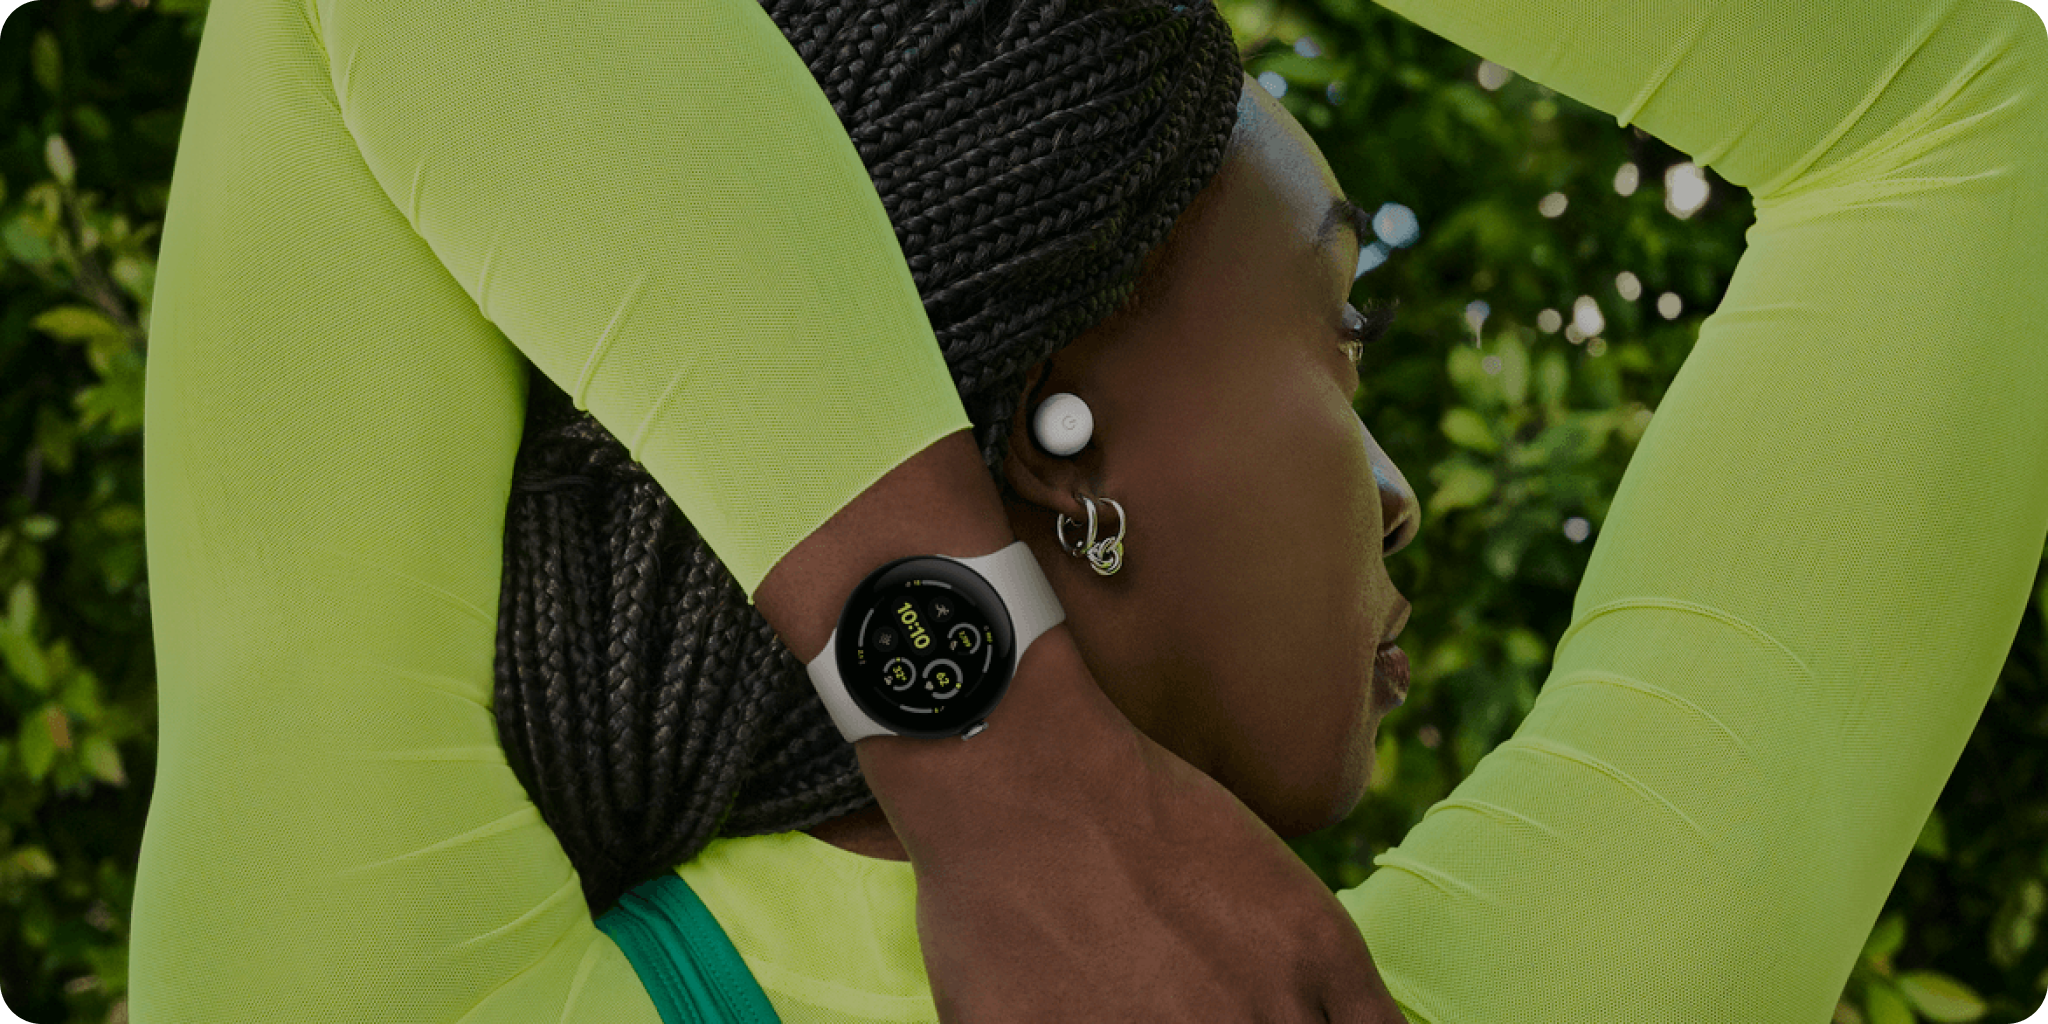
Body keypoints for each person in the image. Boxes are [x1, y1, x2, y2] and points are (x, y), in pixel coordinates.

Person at [128, 0, 2048, 1021]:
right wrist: (1011, 764)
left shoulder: (384, 980)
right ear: (1058, 446)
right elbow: (1968, 118)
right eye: (1340, 327)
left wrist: (986, 736)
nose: (1401, 499)